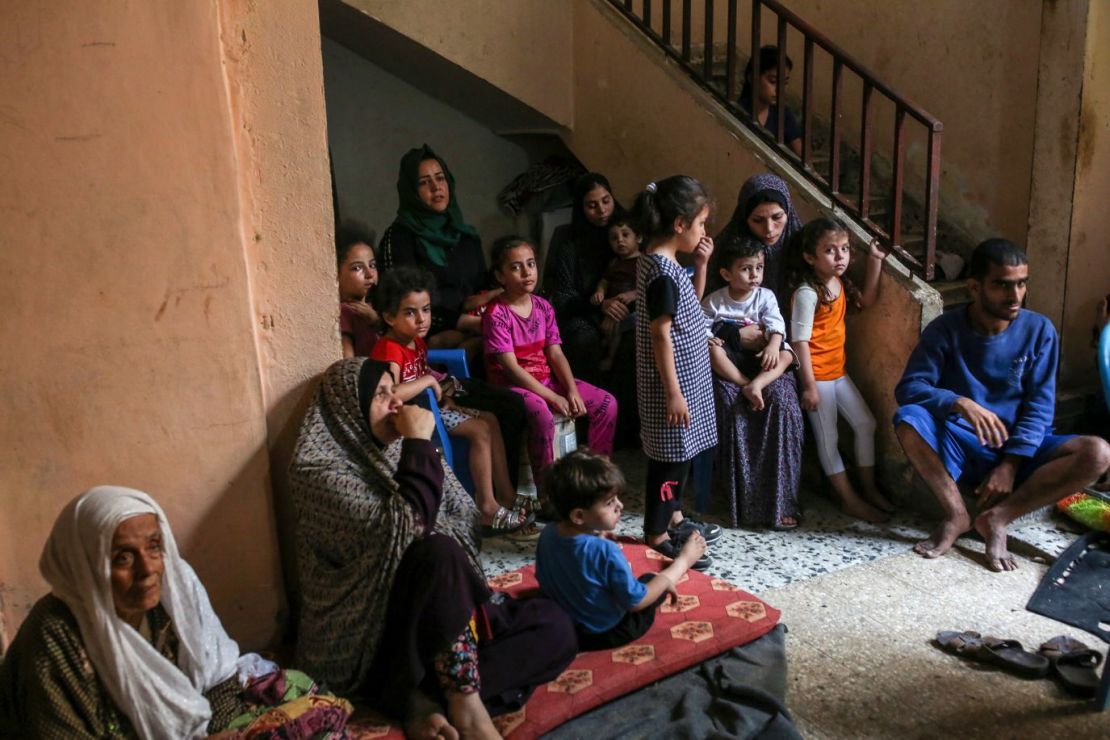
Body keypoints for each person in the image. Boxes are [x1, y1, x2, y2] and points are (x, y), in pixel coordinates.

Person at [289, 358, 577, 737]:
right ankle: (467, 706)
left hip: (440, 614)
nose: (396, 404)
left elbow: (467, 520)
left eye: (394, 391)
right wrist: (418, 445)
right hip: (375, 635)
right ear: (348, 409)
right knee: (438, 552)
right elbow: (409, 533)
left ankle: (420, 699)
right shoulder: (318, 473)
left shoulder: (392, 452)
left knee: (556, 628)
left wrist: (417, 455)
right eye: (380, 395)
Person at [0, 486, 351, 738]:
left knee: (310, 702)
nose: (147, 569)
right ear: (84, 566)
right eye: (122, 557)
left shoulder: (172, 593)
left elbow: (216, 679)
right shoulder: (53, 637)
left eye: (154, 547)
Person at [894, 239, 1110, 571]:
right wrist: (959, 401)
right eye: (1003, 285)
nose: (1015, 295)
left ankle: (997, 518)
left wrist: (1010, 463)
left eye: (1022, 283)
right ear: (974, 286)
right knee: (908, 418)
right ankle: (957, 514)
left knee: (1098, 453)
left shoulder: (1039, 330)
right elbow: (910, 388)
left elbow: (1040, 405)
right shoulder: (945, 330)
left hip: (1019, 448)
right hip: (963, 443)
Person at [370, 266, 530, 536]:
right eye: (410, 312)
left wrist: (443, 394)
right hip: (410, 420)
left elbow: (423, 378)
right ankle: (487, 508)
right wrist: (429, 383)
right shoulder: (389, 349)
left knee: (490, 418)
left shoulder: (415, 342)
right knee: (479, 430)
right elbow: (391, 394)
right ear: (388, 316)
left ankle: (507, 495)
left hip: (431, 407)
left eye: (426, 309)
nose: (422, 319)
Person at [632, 176, 722, 568]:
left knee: (677, 454)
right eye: (700, 223)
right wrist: (673, 392)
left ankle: (675, 516)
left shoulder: (661, 262)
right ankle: (657, 532)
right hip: (673, 384)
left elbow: (690, 305)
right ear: (680, 225)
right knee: (671, 460)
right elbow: (661, 335)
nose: (704, 231)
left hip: (683, 380)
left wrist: (701, 264)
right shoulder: (663, 273)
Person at [483, 236, 618, 495]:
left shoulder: (544, 307)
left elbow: (555, 354)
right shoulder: (496, 314)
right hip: (511, 385)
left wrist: (571, 391)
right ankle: (548, 494)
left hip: (546, 380)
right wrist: (553, 397)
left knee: (606, 404)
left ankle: (598, 480)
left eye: (531, 264)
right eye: (516, 267)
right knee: (542, 413)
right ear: (500, 276)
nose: (526, 272)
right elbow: (511, 368)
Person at [535, 449, 707, 651]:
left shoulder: (547, 534)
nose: (621, 505)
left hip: (567, 625)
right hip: (606, 632)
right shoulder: (605, 551)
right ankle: (682, 562)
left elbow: (543, 579)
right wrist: (678, 566)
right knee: (651, 580)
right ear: (579, 516)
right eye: (609, 503)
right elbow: (636, 602)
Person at [787, 219, 893, 523]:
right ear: (810, 258)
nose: (840, 256)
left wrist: (874, 260)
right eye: (830, 250)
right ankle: (850, 500)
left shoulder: (838, 282)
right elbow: (799, 342)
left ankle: (868, 489)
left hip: (838, 371)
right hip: (818, 377)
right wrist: (807, 385)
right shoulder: (808, 293)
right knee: (828, 438)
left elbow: (867, 300)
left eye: (845, 249)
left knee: (866, 423)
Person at [703, 236, 805, 529]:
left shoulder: (766, 296)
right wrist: (719, 337)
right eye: (746, 269)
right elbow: (702, 330)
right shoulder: (715, 300)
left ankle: (756, 384)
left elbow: (776, 327)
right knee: (713, 352)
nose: (754, 276)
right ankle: (745, 383)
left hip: (765, 362)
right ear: (726, 273)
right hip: (733, 365)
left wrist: (773, 345)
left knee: (786, 354)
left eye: (758, 268)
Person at [379, 144, 501, 356]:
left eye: (440, 178)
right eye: (424, 183)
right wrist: (462, 322)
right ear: (411, 192)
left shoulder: (467, 236)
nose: (436, 187)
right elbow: (398, 301)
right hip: (426, 333)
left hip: (476, 324)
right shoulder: (400, 236)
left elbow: (482, 288)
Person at [715, 173, 803, 301]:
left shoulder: (806, 247)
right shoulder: (725, 250)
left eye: (777, 217)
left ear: (788, 213)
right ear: (745, 219)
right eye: (757, 220)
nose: (769, 229)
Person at [591, 210, 642, 372]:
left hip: (632, 306)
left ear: (638, 238)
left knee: (618, 329)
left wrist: (632, 294)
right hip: (611, 304)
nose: (620, 240)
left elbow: (649, 285)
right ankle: (606, 342)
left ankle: (610, 358)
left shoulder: (644, 261)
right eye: (614, 238)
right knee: (607, 326)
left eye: (625, 235)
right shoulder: (614, 263)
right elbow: (604, 281)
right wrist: (599, 292)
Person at [739, 46, 802, 157]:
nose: (780, 89)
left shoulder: (782, 115)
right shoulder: (740, 111)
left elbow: (804, 159)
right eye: (773, 81)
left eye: (785, 83)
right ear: (752, 78)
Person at [337, 220, 380, 358]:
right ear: (336, 273)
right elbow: (348, 363)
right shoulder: (344, 312)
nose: (369, 274)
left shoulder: (375, 309)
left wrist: (376, 321)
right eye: (357, 268)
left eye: (372, 265)